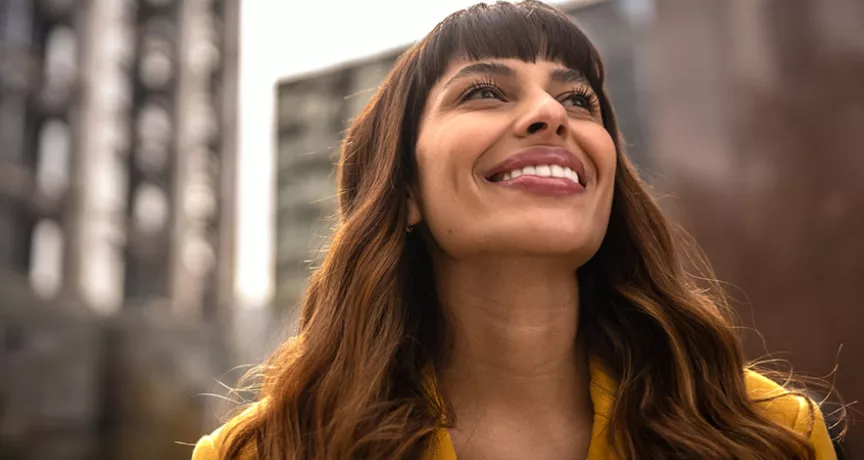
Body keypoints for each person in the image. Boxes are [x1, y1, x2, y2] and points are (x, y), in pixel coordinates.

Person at [193, 1, 840, 458]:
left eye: (579, 99)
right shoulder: (267, 452)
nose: (549, 113)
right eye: (485, 92)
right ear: (407, 190)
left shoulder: (769, 436)